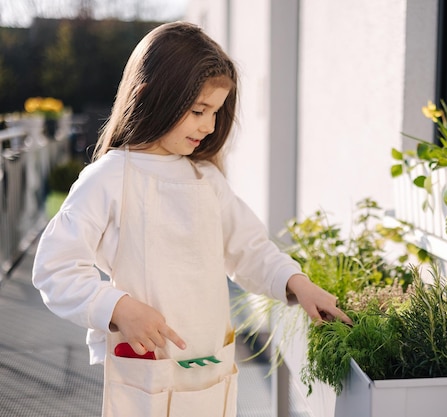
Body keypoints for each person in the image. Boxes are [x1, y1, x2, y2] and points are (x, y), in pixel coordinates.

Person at [32, 21, 350, 417]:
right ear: (151, 97)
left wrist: (296, 283)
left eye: (216, 112)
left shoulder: (207, 179)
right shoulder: (109, 179)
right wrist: (118, 308)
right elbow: (54, 268)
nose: (210, 126)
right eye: (199, 110)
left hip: (210, 365)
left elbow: (248, 249)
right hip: (148, 368)